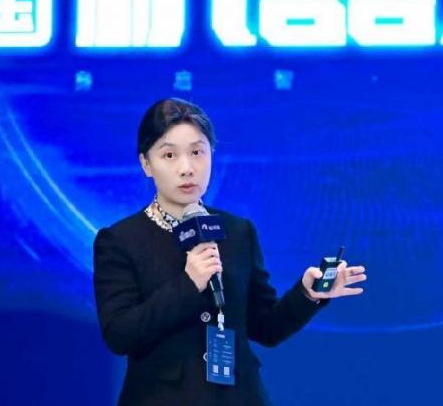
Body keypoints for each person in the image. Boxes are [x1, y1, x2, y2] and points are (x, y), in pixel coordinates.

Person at [93, 98, 367, 405]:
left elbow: (266, 328)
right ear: (146, 164)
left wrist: (308, 293)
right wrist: (189, 283)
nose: (187, 168)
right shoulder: (120, 240)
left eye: (197, 152)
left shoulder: (238, 231)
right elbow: (120, 334)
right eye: (169, 155)